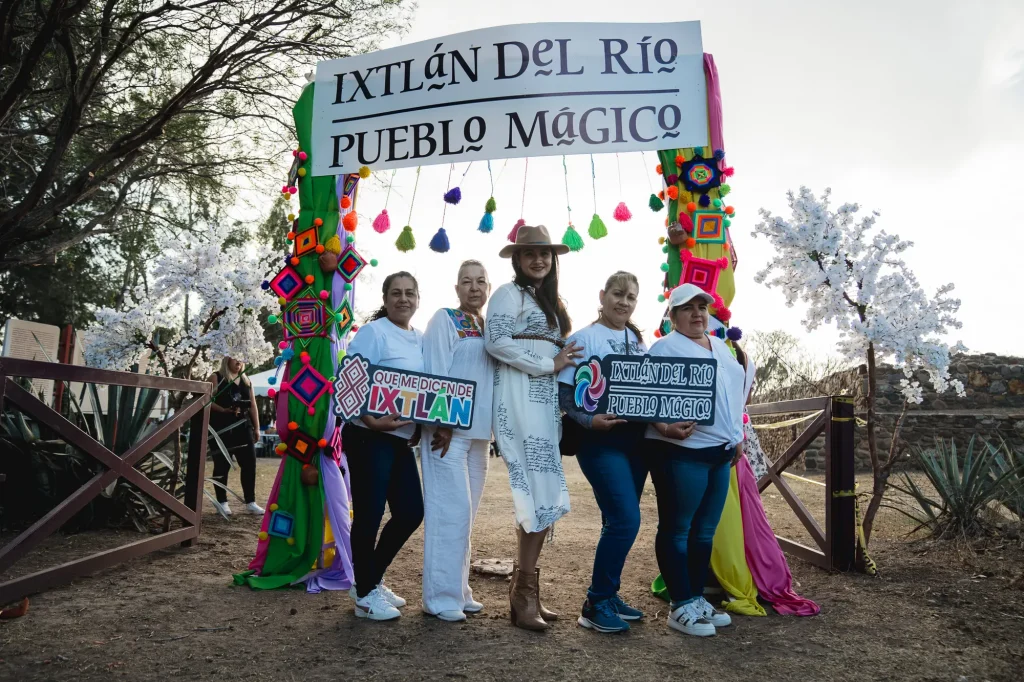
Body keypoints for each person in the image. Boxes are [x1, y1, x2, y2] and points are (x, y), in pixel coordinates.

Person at [485, 225, 583, 631]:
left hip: (544, 405)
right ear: (518, 259)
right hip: (518, 398)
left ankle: (526, 589)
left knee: (543, 495)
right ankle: (523, 594)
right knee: (536, 492)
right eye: (530, 254)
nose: (538, 260)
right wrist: (548, 363)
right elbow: (496, 341)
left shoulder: (549, 301)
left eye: (544, 254)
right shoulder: (508, 294)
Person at [645, 283, 746, 637]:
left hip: (719, 452)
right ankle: (680, 604)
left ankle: (695, 597)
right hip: (681, 453)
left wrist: (737, 435)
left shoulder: (720, 346)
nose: (697, 314)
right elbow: (643, 395)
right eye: (687, 308)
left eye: (702, 307)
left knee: (704, 532)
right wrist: (663, 426)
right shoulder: (663, 349)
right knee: (677, 529)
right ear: (673, 315)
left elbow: (733, 395)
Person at [558, 271, 649, 634]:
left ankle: (609, 594)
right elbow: (565, 395)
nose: (623, 302)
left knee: (614, 522)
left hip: (635, 443)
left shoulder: (637, 341)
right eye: (617, 294)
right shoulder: (583, 338)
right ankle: (595, 604)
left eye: (631, 297)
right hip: (598, 441)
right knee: (626, 520)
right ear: (603, 295)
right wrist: (589, 420)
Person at [343, 272, 424, 621]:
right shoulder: (374, 333)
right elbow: (349, 379)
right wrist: (370, 420)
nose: (403, 299)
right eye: (396, 293)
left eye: (409, 293)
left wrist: (418, 424)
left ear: (418, 299)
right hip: (368, 436)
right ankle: (365, 595)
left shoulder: (421, 339)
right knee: (370, 515)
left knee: (411, 512)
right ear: (385, 298)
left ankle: (369, 579)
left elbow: (423, 388)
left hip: (400, 440)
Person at [420, 260, 495, 623]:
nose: (474, 287)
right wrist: (443, 422)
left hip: (479, 436)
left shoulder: (489, 326)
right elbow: (435, 370)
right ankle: (439, 598)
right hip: (447, 433)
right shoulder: (445, 319)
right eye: (466, 281)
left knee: (465, 516)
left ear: (488, 288)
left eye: (480, 281)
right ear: (457, 288)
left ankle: (459, 590)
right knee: (449, 513)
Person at [208, 357, 264, 516]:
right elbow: (206, 400)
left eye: (241, 359)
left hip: (244, 427)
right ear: (227, 359)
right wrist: (223, 410)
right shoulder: (216, 377)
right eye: (235, 358)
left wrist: (257, 428)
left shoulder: (247, 381)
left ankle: (251, 502)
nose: (238, 362)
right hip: (221, 428)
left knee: (249, 464)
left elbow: (253, 405)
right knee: (221, 465)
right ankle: (222, 502)